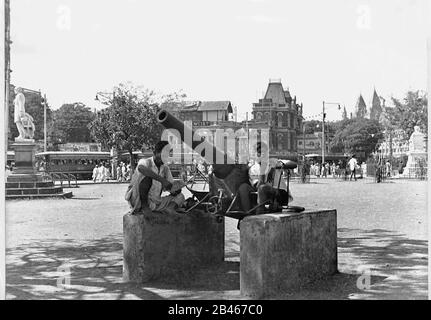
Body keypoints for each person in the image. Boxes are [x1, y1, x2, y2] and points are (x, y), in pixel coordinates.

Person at [125, 141, 185, 214]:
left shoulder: (165, 168)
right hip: (138, 201)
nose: (164, 158)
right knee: (147, 177)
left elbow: (169, 185)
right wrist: (162, 180)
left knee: (180, 197)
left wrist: (176, 189)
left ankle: (170, 208)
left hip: (155, 202)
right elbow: (141, 168)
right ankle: (145, 207)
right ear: (155, 152)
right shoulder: (145, 162)